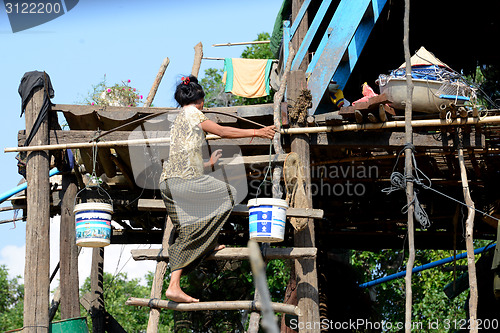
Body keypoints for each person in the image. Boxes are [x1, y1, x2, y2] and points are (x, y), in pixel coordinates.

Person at [159, 75, 276, 303]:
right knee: (229, 194)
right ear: (199, 100)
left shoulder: (178, 120)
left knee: (187, 229)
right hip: (184, 181)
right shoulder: (194, 113)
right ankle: (208, 242)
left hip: (168, 183)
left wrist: (207, 165)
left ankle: (174, 285)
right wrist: (258, 132)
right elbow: (222, 131)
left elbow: (180, 157)